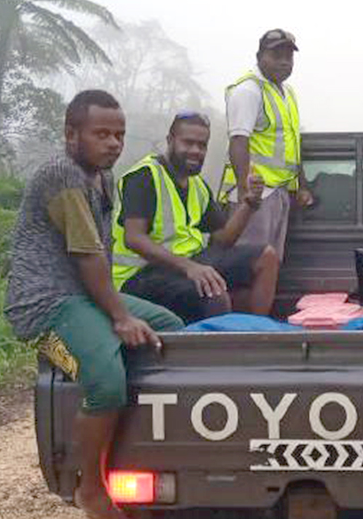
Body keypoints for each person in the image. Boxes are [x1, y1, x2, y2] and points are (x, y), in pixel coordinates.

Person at [5, 90, 184, 519]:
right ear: (71, 134)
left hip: (83, 295)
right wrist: (119, 317)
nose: (113, 143)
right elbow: (87, 255)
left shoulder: (102, 179)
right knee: (104, 379)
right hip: (45, 303)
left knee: (171, 325)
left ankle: (142, 437)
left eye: (119, 134)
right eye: (101, 133)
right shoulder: (62, 175)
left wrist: (119, 314)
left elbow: (97, 258)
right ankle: (90, 486)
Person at [113, 112, 280, 323]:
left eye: (202, 145)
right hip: (139, 277)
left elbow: (223, 240)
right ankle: (212, 353)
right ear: (170, 140)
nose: (195, 151)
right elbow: (134, 239)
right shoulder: (144, 176)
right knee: (214, 292)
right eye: (188, 143)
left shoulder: (197, 185)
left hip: (184, 265)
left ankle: (258, 337)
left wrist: (249, 204)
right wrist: (191, 268)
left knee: (266, 257)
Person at [219, 28, 315, 262]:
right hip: (256, 195)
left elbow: (291, 143)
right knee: (249, 264)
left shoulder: (286, 92)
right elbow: (238, 140)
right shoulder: (248, 90)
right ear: (259, 56)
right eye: (276, 55)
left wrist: (301, 185)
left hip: (279, 192)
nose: (284, 62)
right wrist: (245, 193)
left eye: (288, 56)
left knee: (271, 264)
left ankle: (262, 301)